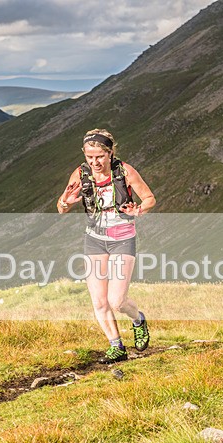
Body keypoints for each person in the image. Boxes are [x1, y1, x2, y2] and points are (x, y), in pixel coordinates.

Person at [57, 129, 156, 363]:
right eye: (90, 157)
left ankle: (138, 320)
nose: (95, 162)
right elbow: (61, 208)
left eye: (99, 157)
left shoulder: (125, 171)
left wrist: (139, 210)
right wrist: (65, 202)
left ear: (110, 153)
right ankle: (116, 346)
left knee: (117, 301)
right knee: (99, 302)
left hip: (122, 239)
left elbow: (150, 198)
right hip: (94, 240)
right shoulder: (80, 174)